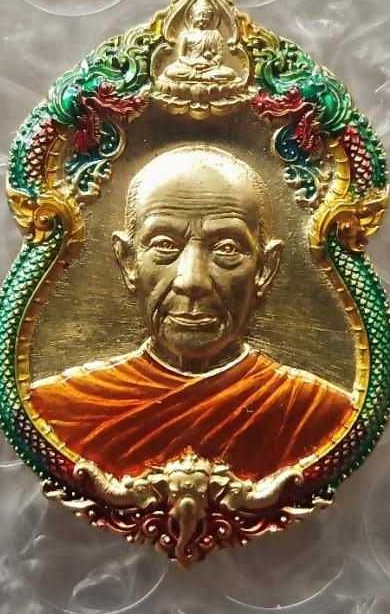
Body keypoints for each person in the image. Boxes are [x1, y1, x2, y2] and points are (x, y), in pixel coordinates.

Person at [30, 146, 354, 481]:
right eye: (164, 245)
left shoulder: (319, 412)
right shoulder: (62, 408)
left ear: (265, 269)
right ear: (127, 261)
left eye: (226, 248)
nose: (192, 280)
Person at [161, 0, 237, 84]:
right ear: (191, 17)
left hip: (209, 68)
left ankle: (199, 77)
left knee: (230, 74)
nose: (201, 19)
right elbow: (181, 57)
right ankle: (203, 78)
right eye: (198, 15)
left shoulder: (215, 34)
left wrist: (211, 62)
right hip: (189, 67)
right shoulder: (185, 35)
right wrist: (192, 63)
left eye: (205, 16)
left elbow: (220, 55)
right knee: (170, 72)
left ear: (211, 19)